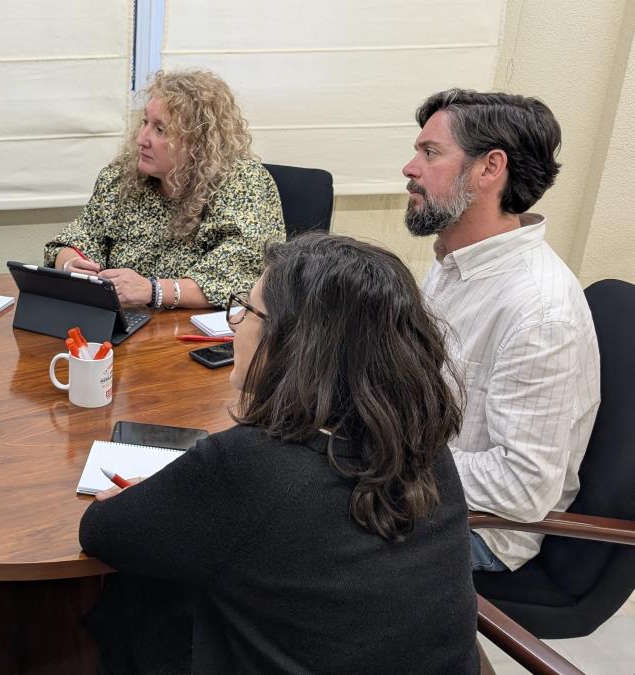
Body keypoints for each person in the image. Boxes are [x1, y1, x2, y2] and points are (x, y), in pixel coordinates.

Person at [79, 234, 479, 673]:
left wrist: (172, 495)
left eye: (247, 311)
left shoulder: (249, 465)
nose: (234, 324)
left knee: (142, 594)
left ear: (294, 342)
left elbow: (101, 531)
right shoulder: (422, 439)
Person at [402, 89, 601, 573]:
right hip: (423, 480)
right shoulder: (453, 262)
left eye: (430, 153)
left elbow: (523, 486)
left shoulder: (540, 311)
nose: (410, 168)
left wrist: (387, 458)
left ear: (489, 168)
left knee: (281, 537)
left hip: (477, 530)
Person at [44, 69, 285, 309]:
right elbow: (78, 237)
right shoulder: (122, 176)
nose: (141, 139)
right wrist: (70, 264)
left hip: (196, 326)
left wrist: (153, 290)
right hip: (125, 320)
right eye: (145, 122)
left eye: (160, 129)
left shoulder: (243, 182)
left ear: (198, 143)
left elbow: (239, 274)